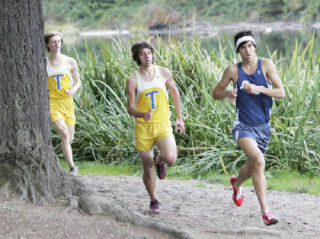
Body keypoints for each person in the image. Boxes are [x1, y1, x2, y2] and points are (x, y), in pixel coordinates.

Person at [213, 31, 285, 226]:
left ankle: (236, 183)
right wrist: (228, 93)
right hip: (242, 126)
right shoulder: (233, 71)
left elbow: (281, 92)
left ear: (255, 46)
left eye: (250, 46)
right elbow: (215, 93)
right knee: (258, 161)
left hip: (263, 127)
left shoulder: (266, 65)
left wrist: (259, 89)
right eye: (243, 47)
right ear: (238, 50)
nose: (247, 50)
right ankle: (266, 212)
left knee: (253, 165)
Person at [126, 41, 185, 213]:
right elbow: (130, 107)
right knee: (147, 165)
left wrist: (179, 118)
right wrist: (141, 115)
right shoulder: (132, 79)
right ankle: (154, 200)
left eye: (149, 53)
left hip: (163, 124)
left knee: (171, 158)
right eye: (143, 54)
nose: (147, 56)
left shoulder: (164, 72)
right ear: (137, 57)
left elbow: (175, 92)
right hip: (143, 128)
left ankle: (161, 160)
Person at [44, 31, 81, 176]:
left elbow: (78, 82)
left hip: (68, 103)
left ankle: (57, 161)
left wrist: (73, 90)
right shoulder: (44, 63)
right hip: (53, 103)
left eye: (59, 41)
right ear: (48, 45)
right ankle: (73, 168)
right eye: (53, 42)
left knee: (69, 138)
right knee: (64, 133)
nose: (57, 44)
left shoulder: (70, 61)